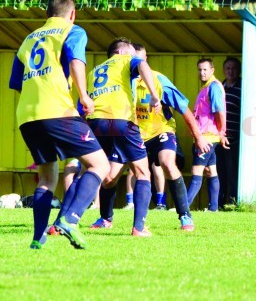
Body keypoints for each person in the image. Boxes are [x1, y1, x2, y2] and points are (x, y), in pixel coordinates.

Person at [9, 0, 110, 250]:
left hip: (28, 116)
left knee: (46, 178)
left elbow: (16, 83)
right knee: (100, 164)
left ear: (47, 14)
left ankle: (37, 238)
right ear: (72, 13)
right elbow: (76, 61)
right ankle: (70, 219)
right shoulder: (72, 30)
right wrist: (84, 96)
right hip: (58, 111)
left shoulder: (27, 40)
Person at [97, 43, 210, 231]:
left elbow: (183, 108)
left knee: (167, 162)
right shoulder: (121, 82)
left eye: (138, 60)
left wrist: (198, 136)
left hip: (160, 131)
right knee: (109, 177)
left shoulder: (158, 80)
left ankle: (185, 216)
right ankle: (105, 219)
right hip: (133, 135)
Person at [86, 37, 161, 237]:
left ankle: (101, 218)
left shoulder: (95, 71)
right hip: (122, 121)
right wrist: (154, 94)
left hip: (97, 122)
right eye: (131, 53)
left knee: (107, 176)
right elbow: (142, 64)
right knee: (143, 172)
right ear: (120, 53)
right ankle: (138, 228)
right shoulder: (126, 61)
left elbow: (83, 100)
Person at [186, 58, 229, 211]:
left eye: (205, 69)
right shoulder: (206, 87)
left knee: (196, 170)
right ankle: (214, 208)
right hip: (207, 135)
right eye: (199, 69)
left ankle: (183, 206)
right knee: (211, 171)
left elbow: (219, 111)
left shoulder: (214, 87)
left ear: (212, 70)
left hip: (207, 136)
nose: (202, 72)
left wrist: (221, 133)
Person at [216, 57, 242, 207]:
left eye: (233, 68)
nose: (231, 71)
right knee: (219, 172)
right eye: (228, 68)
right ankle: (218, 203)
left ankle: (232, 203)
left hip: (233, 138)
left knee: (232, 172)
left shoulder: (241, 88)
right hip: (218, 137)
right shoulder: (219, 88)